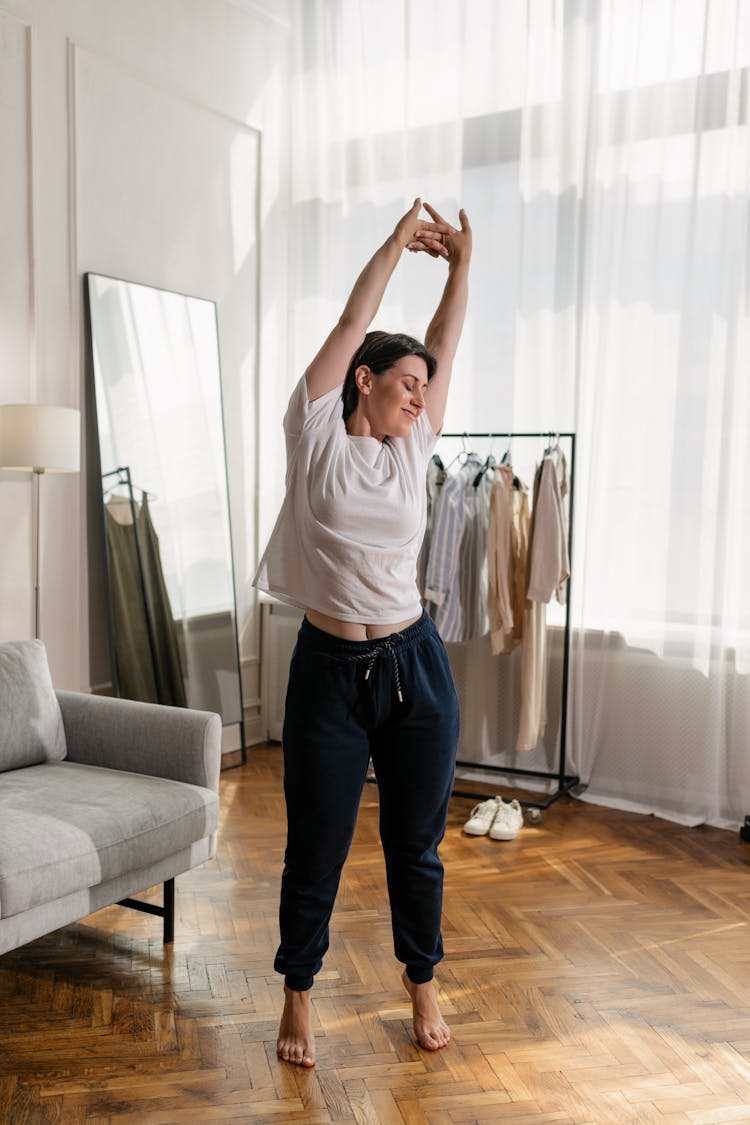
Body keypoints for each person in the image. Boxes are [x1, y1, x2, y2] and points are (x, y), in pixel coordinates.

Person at [253, 197, 472, 1067]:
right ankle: (297, 996)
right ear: (364, 381)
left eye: (425, 386)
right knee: (317, 846)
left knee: (415, 844)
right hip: (331, 671)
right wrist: (394, 244)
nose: (422, 396)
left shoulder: (412, 451)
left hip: (415, 665)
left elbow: (445, 343)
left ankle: (421, 979)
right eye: (407, 383)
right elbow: (356, 317)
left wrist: (462, 266)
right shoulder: (313, 436)